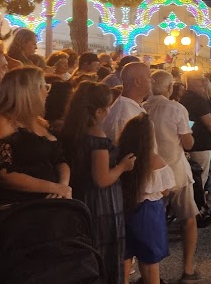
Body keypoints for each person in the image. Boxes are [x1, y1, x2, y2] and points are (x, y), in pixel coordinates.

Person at [60, 82, 134, 284]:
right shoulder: (96, 135)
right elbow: (102, 179)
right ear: (99, 111)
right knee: (104, 251)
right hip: (101, 202)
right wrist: (123, 166)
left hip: (80, 196)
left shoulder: (69, 130)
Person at [0, 67, 70, 206]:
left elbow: (60, 160)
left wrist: (63, 186)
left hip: (52, 201)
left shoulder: (39, 121)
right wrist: (54, 188)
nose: (47, 91)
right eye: (44, 86)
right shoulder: (0, 122)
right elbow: (2, 175)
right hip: (19, 206)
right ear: (29, 91)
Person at [142, 71, 203, 281]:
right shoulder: (176, 108)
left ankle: (151, 273)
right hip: (176, 171)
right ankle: (188, 268)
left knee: (151, 222)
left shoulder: (142, 108)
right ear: (169, 88)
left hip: (151, 175)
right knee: (188, 219)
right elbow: (188, 143)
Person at [118, 114, 174, 284]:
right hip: (149, 213)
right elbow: (166, 190)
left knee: (124, 259)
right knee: (150, 262)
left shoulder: (119, 157)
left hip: (124, 209)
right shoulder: (154, 160)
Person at [179, 72, 211, 213]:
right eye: (200, 80)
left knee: (191, 178)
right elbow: (209, 123)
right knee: (200, 178)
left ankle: (194, 207)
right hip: (201, 143)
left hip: (188, 142)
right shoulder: (198, 100)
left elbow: (188, 122)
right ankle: (197, 210)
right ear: (192, 82)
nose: (203, 83)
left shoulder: (183, 98)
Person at [101, 62, 151, 143]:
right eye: (149, 77)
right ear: (137, 82)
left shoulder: (131, 106)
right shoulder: (123, 113)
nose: (153, 81)